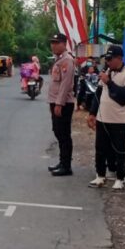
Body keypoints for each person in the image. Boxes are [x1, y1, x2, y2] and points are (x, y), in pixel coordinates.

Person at [87, 46, 125, 190]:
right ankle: (100, 175)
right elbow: (98, 94)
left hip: (119, 120)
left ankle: (120, 177)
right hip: (103, 118)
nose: (108, 62)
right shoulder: (107, 72)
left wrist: (109, 82)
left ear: (119, 59)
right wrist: (92, 113)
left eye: (110, 59)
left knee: (119, 149)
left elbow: (124, 98)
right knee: (100, 148)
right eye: (106, 59)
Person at [47, 33, 76, 176]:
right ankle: (62, 161)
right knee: (57, 131)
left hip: (63, 103)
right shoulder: (59, 60)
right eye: (52, 42)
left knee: (64, 134)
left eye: (56, 42)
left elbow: (65, 85)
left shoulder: (67, 60)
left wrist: (59, 104)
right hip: (55, 102)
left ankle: (66, 165)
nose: (53, 45)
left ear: (64, 44)